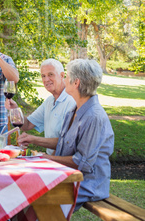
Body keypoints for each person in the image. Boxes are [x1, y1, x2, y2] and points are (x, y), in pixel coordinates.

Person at [19, 59, 114, 210]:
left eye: (66, 76)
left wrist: (45, 158)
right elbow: (63, 145)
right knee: (24, 188)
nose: (63, 79)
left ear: (75, 83)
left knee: (34, 197)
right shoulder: (74, 110)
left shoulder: (93, 116)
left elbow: (82, 162)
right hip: (67, 175)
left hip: (87, 184)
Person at [6, 59, 76, 154]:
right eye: (43, 76)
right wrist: (15, 110)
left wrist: (34, 140)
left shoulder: (71, 101)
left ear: (62, 75)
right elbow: (27, 125)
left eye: (50, 74)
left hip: (63, 162)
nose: (46, 79)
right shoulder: (49, 101)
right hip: (52, 159)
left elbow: (67, 143)